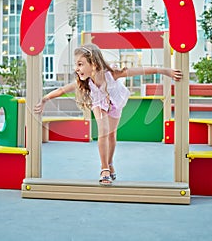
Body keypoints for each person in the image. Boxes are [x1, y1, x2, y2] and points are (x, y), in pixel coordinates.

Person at [34, 43, 183, 186]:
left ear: (93, 63)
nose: (76, 69)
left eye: (80, 64)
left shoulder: (112, 74)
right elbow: (62, 90)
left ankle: (110, 163)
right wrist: (45, 99)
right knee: (103, 132)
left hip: (115, 103)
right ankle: (104, 168)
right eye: (76, 64)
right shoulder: (83, 82)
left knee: (111, 134)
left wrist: (166, 71)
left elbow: (143, 70)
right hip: (99, 104)